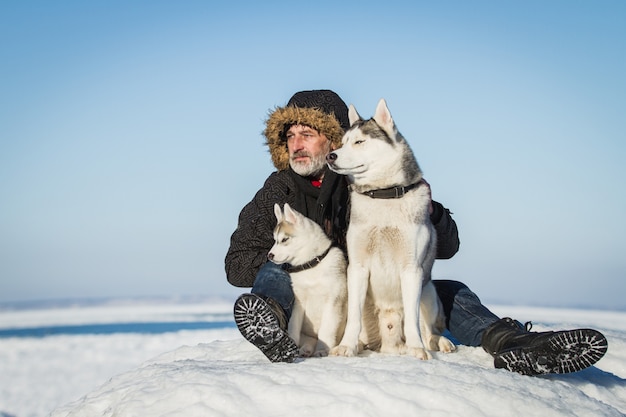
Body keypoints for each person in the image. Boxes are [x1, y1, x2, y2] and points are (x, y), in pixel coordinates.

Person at [225, 89, 608, 375]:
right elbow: (238, 265)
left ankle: (514, 343)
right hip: (322, 304)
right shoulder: (277, 191)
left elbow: (447, 247)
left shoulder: (372, 180)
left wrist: (431, 212)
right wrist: (312, 259)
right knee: (275, 268)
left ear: (335, 138)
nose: (296, 145)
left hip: (381, 293)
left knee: (448, 288)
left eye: (306, 133)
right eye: (289, 137)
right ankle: (269, 325)